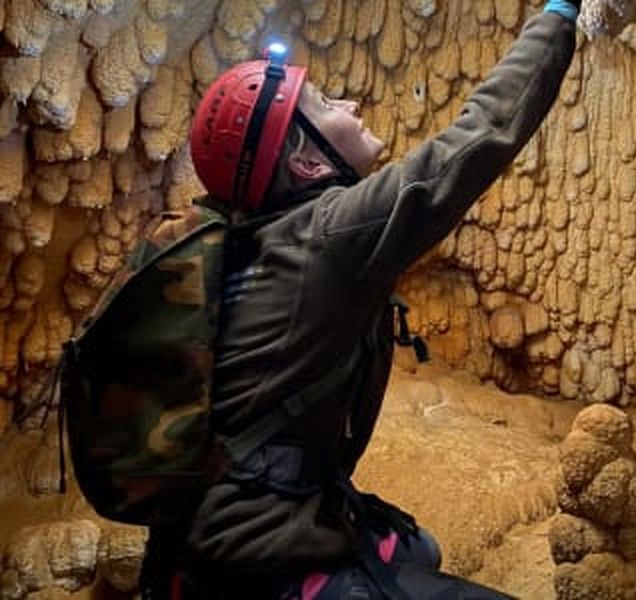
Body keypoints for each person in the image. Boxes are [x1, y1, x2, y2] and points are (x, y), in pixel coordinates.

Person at [139, 0, 580, 597]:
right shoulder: (327, 239)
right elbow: (479, 136)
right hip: (252, 560)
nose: (349, 105)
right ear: (305, 159)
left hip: (201, 532)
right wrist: (560, 12)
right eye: (325, 106)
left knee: (420, 547)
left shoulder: (250, 236)